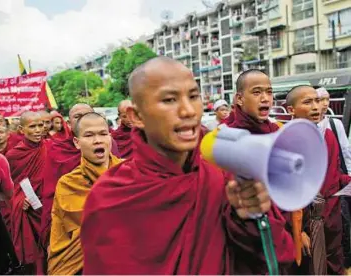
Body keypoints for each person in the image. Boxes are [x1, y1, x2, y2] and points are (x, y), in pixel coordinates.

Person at [80, 57, 294, 275]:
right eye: (170, 100)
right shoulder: (111, 197)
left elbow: (277, 256)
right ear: (137, 117)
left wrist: (248, 219)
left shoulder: (219, 178)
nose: (189, 111)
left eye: (193, 96)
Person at [229, 69, 300, 271]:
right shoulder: (226, 137)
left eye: (269, 92)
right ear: (240, 99)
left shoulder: (277, 132)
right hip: (247, 237)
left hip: (283, 229)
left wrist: (297, 230)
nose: (265, 98)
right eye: (257, 92)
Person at [286, 85, 351, 275]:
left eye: (317, 100)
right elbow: (287, 192)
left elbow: (334, 175)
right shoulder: (286, 141)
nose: (316, 107)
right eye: (307, 102)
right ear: (291, 110)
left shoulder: (327, 136)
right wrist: (298, 231)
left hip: (332, 219)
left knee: (335, 266)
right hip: (306, 224)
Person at [39, 104, 119, 256]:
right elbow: (52, 202)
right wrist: (52, 240)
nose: (97, 140)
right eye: (89, 135)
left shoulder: (128, 172)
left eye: (103, 134)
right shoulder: (66, 182)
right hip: (82, 254)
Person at [6, 111, 47, 274]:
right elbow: (13, 187)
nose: (38, 130)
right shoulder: (14, 155)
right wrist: (19, 199)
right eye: (32, 126)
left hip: (49, 208)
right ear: (22, 130)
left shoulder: (51, 147)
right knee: (35, 255)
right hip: (30, 211)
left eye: (40, 125)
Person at [317, 87, 351, 176]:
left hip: (335, 176)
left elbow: (345, 151)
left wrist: (349, 174)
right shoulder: (304, 127)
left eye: (327, 99)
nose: (325, 104)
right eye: (321, 100)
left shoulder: (335, 124)